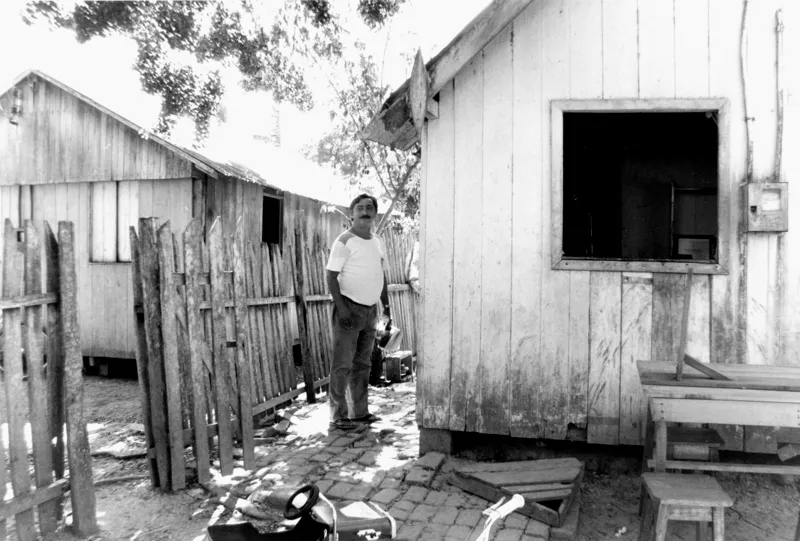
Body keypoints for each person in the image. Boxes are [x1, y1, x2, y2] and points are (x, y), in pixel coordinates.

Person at [325, 194, 391, 430]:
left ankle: (359, 413)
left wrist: (386, 307)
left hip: (371, 310)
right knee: (342, 364)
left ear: (375, 213)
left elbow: (381, 276)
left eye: (369, 208)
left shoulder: (378, 241)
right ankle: (338, 415)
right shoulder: (344, 241)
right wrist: (342, 309)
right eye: (360, 208)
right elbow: (331, 276)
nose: (365, 211)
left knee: (363, 364)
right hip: (349, 308)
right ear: (351, 213)